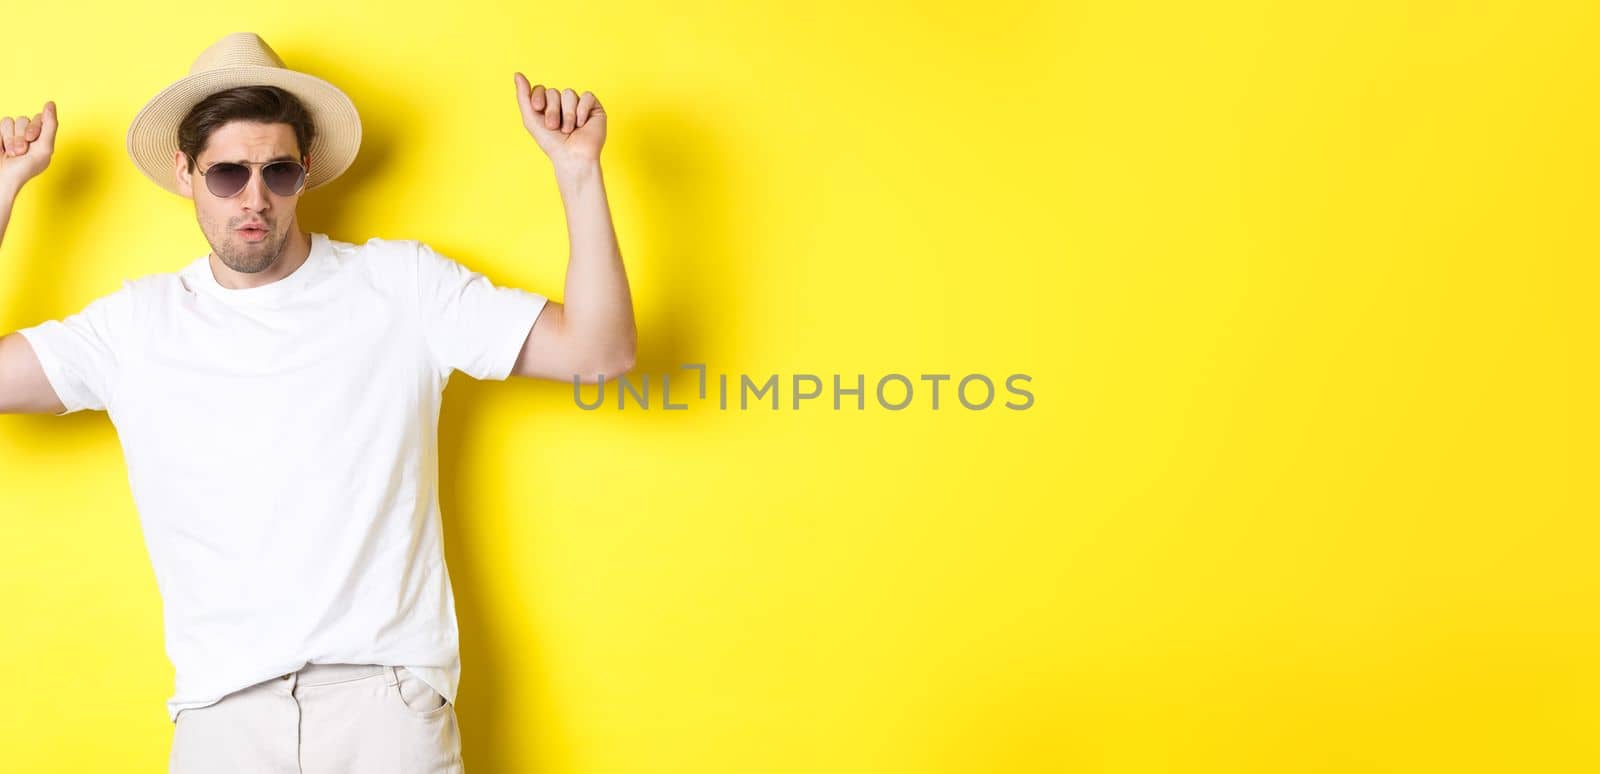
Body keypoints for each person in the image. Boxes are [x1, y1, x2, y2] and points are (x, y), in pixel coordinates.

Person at [0, 31, 635, 774]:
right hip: (220, 717)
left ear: (307, 169)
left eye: (277, 172)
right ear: (185, 173)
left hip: (386, 707)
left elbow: (600, 353)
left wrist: (578, 171)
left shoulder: (402, 288)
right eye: (228, 174)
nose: (255, 199)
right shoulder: (136, 325)